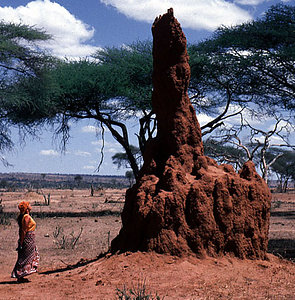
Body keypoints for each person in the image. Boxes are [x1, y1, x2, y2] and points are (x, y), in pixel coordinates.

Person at [11, 201, 40, 283]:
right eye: (29, 205)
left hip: (29, 238)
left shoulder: (25, 216)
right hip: (28, 238)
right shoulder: (26, 217)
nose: (31, 206)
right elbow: (24, 230)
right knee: (26, 257)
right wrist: (21, 242)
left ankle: (21, 275)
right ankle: (20, 274)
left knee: (27, 255)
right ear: (27, 208)